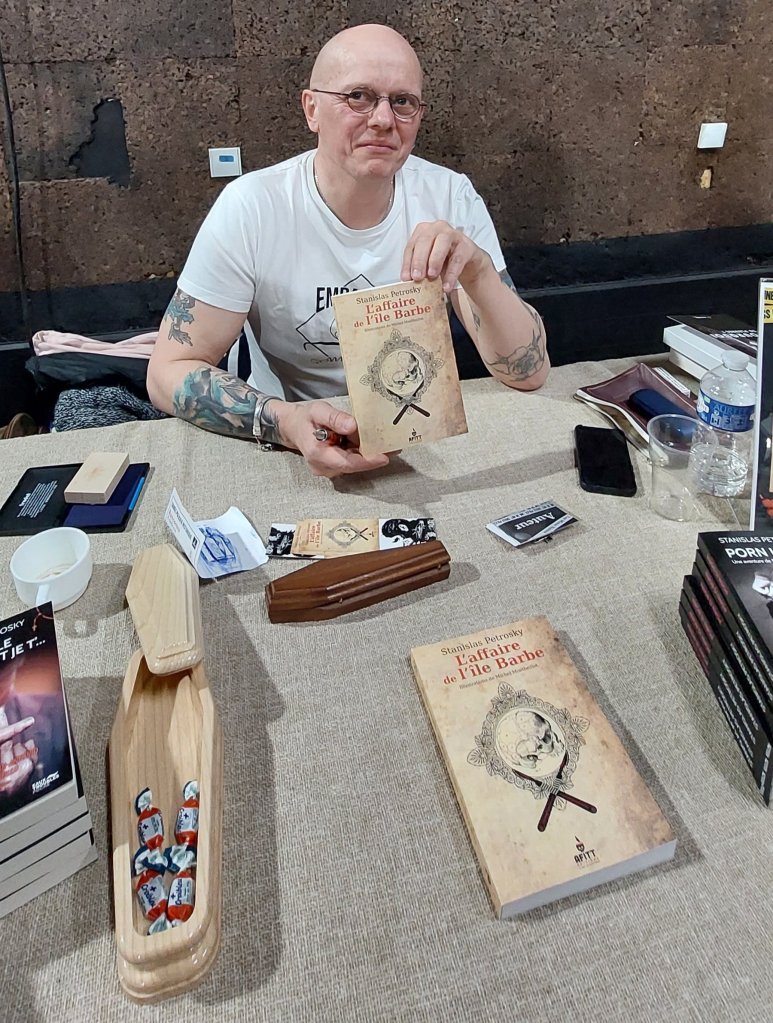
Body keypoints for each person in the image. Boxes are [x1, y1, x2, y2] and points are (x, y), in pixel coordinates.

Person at [147, 24, 549, 478]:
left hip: (421, 437)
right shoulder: (253, 207)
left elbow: (528, 373)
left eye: (403, 101)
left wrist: (477, 271)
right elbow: (167, 371)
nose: (383, 119)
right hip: (292, 442)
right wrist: (284, 422)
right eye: (358, 96)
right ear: (312, 109)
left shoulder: (450, 198)